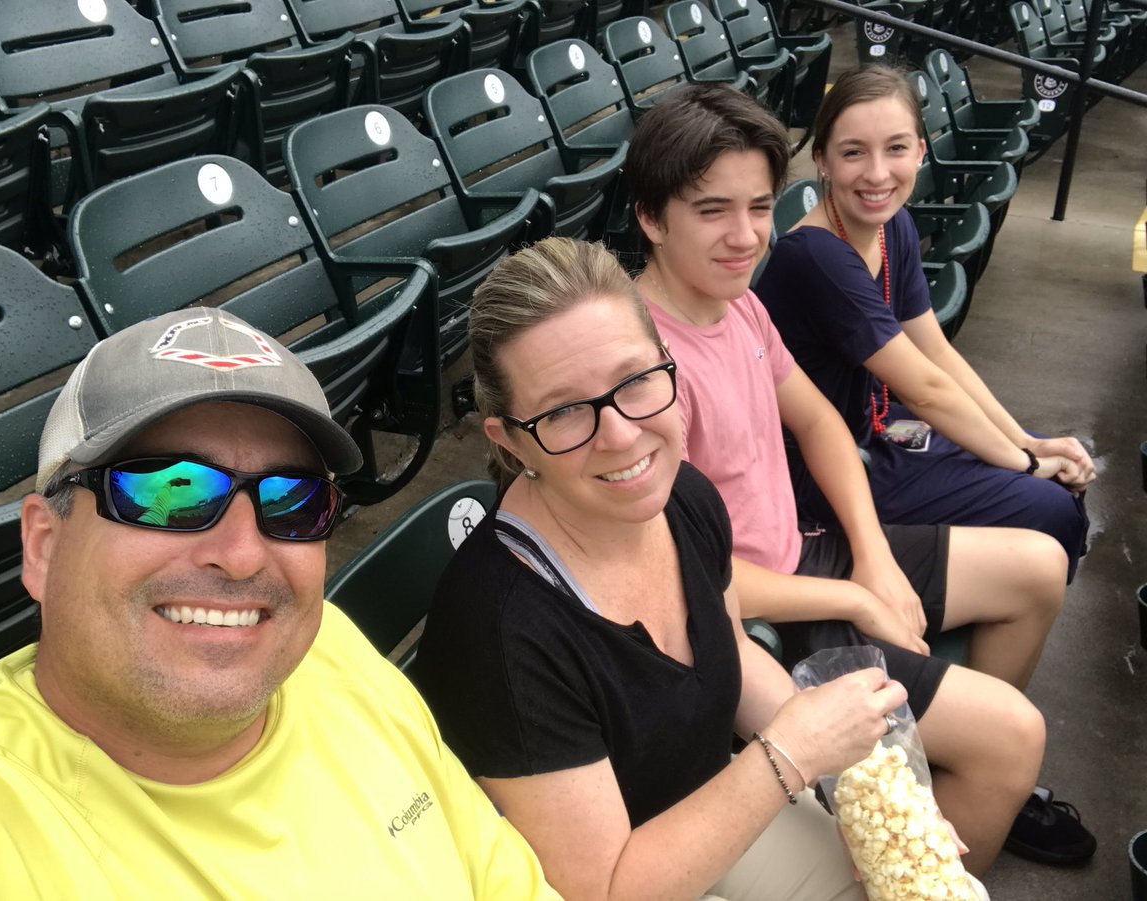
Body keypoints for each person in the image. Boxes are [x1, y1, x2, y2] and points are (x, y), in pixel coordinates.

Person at [412, 237, 990, 901]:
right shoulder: (499, 631)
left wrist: (869, 790)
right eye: (564, 410)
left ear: (668, 365)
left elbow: (734, 654)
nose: (623, 434)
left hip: (715, 806)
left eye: (635, 381)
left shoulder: (684, 494)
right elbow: (602, 886)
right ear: (511, 441)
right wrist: (789, 756)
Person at [624, 82, 1095, 869]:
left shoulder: (735, 302)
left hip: (814, 548)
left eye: (759, 207)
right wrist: (854, 594)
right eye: (712, 211)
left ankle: (945, 784)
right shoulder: (641, 373)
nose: (744, 237)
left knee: (1039, 567)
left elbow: (817, 423)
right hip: (764, 619)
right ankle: (924, 851)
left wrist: (871, 554)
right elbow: (692, 581)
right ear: (650, 217)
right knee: (1017, 734)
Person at [0, 308, 561, 899]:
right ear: (44, 546)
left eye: (292, 501)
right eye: (170, 490)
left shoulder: (330, 646)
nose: (242, 555)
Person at [755, 65, 1093, 584]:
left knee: (1058, 476)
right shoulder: (816, 256)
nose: (877, 174)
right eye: (853, 152)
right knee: (1047, 502)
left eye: (895, 148)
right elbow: (929, 390)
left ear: (920, 149)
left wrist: (1028, 441)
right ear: (821, 159)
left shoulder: (894, 224)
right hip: (820, 472)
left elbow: (936, 353)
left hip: (879, 429)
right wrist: (1026, 463)